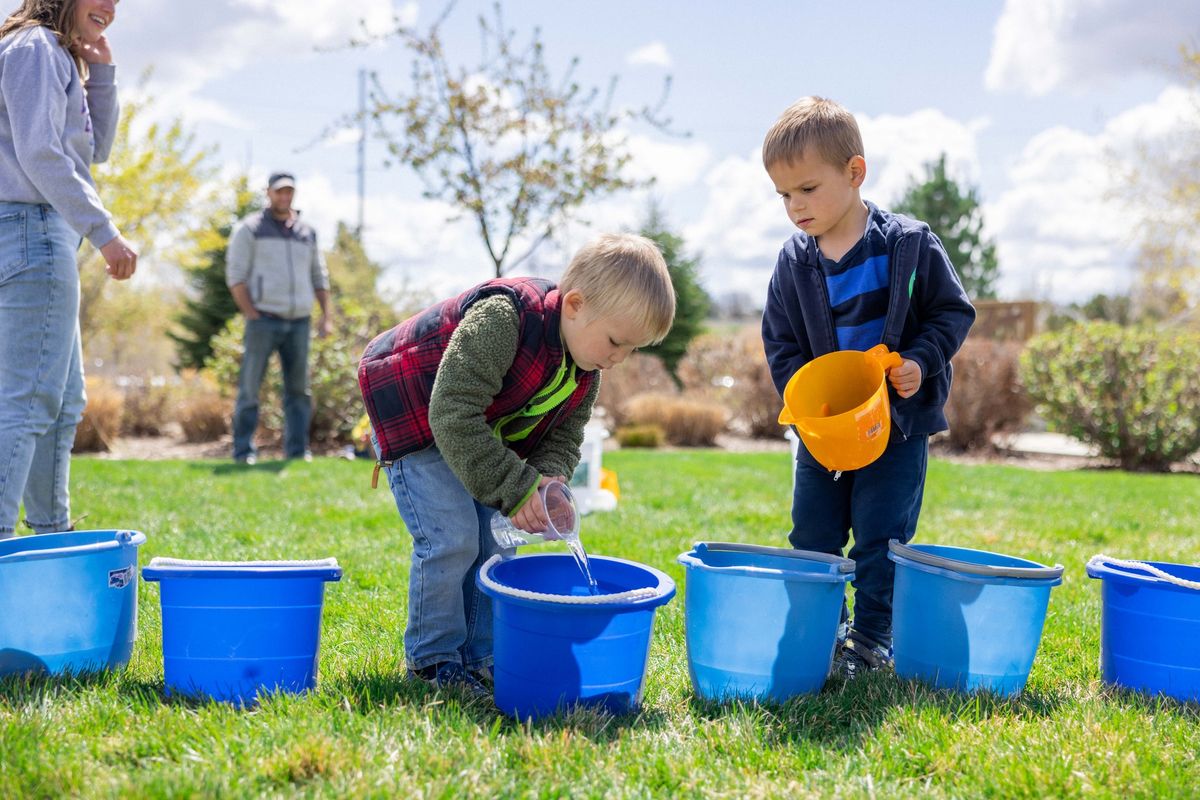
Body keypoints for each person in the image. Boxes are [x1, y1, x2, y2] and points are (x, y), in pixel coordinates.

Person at [358, 233, 675, 694]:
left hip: (473, 431)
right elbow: (451, 411)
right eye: (615, 342)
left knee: (494, 541)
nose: (617, 359)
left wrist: (547, 482)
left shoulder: (585, 370)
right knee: (452, 537)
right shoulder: (504, 317)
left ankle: (481, 656)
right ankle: (433, 660)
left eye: (631, 350)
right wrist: (515, 485)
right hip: (415, 413)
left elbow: (565, 436)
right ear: (575, 305)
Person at [760, 96, 975, 679]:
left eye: (806, 189)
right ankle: (821, 631)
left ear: (855, 172)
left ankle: (873, 638)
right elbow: (780, 342)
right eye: (783, 195)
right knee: (813, 532)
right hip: (825, 434)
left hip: (895, 426)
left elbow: (951, 313)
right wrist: (802, 402)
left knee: (882, 538)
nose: (794, 206)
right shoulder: (793, 262)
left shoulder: (907, 244)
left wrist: (921, 361)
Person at [0, 0, 138, 540]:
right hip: (33, 228)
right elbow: (41, 154)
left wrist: (101, 74)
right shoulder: (34, 47)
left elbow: (92, 151)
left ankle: (51, 538)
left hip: (41, 231)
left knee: (61, 403)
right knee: (29, 400)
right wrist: (106, 232)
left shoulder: (55, 54)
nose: (110, 7)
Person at [225, 171, 331, 464]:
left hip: (299, 321)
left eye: (289, 192)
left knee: (299, 390)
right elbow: (235, 276)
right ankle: (243, 451)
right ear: (268, 193)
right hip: (263, 320)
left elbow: (318, 275)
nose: (284, 197)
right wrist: (251, 313)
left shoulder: (307, 233)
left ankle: (298, 452)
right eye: (279, 191)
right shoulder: (249, 230)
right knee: (249, 387)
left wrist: (326, 316)